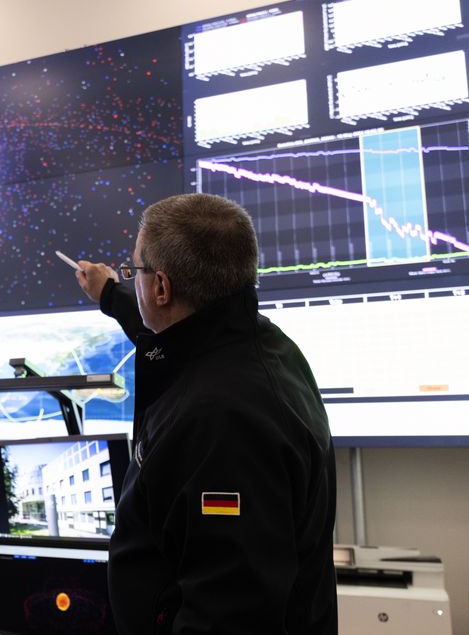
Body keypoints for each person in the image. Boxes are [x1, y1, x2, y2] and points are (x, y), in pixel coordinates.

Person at [73, 193, 337, 634]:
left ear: (161, 287)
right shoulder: (252, 343)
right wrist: (108, 293)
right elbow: (166, 330)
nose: (130, 279)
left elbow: (228, 611)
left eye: (133, 271)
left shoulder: (224, 421)